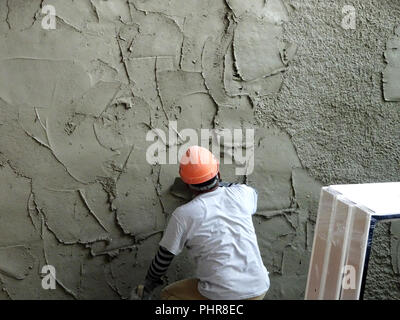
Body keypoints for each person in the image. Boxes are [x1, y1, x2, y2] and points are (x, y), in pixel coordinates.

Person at [135, 145, 269, 300]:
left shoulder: (183, 215)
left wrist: (149, 284)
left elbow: (164, 258)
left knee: (169, 295)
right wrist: (219, 185)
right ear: (218, 173)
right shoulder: (242, 194)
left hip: (223, 294)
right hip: (259, 287)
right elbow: (254, 193)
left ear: (186, 184)